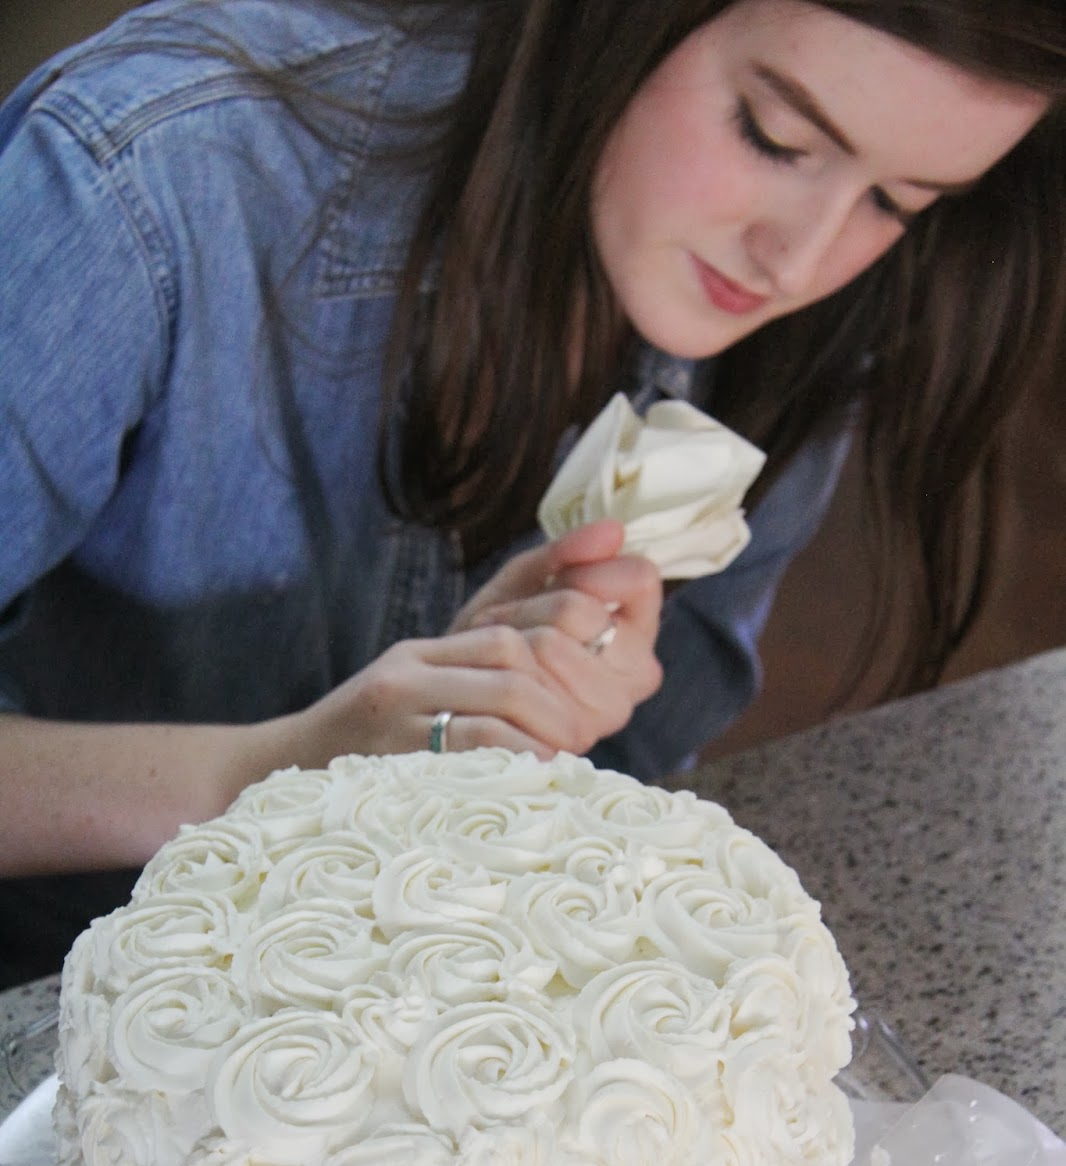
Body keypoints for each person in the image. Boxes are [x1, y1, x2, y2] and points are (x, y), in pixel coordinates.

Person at [0, 0, 1063, 986]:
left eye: (895, 202)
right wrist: (271, 771)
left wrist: (527, 744)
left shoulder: (808, 328)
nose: (797, 260)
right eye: (772, 137)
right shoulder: (155, 177)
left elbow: (620, 796)